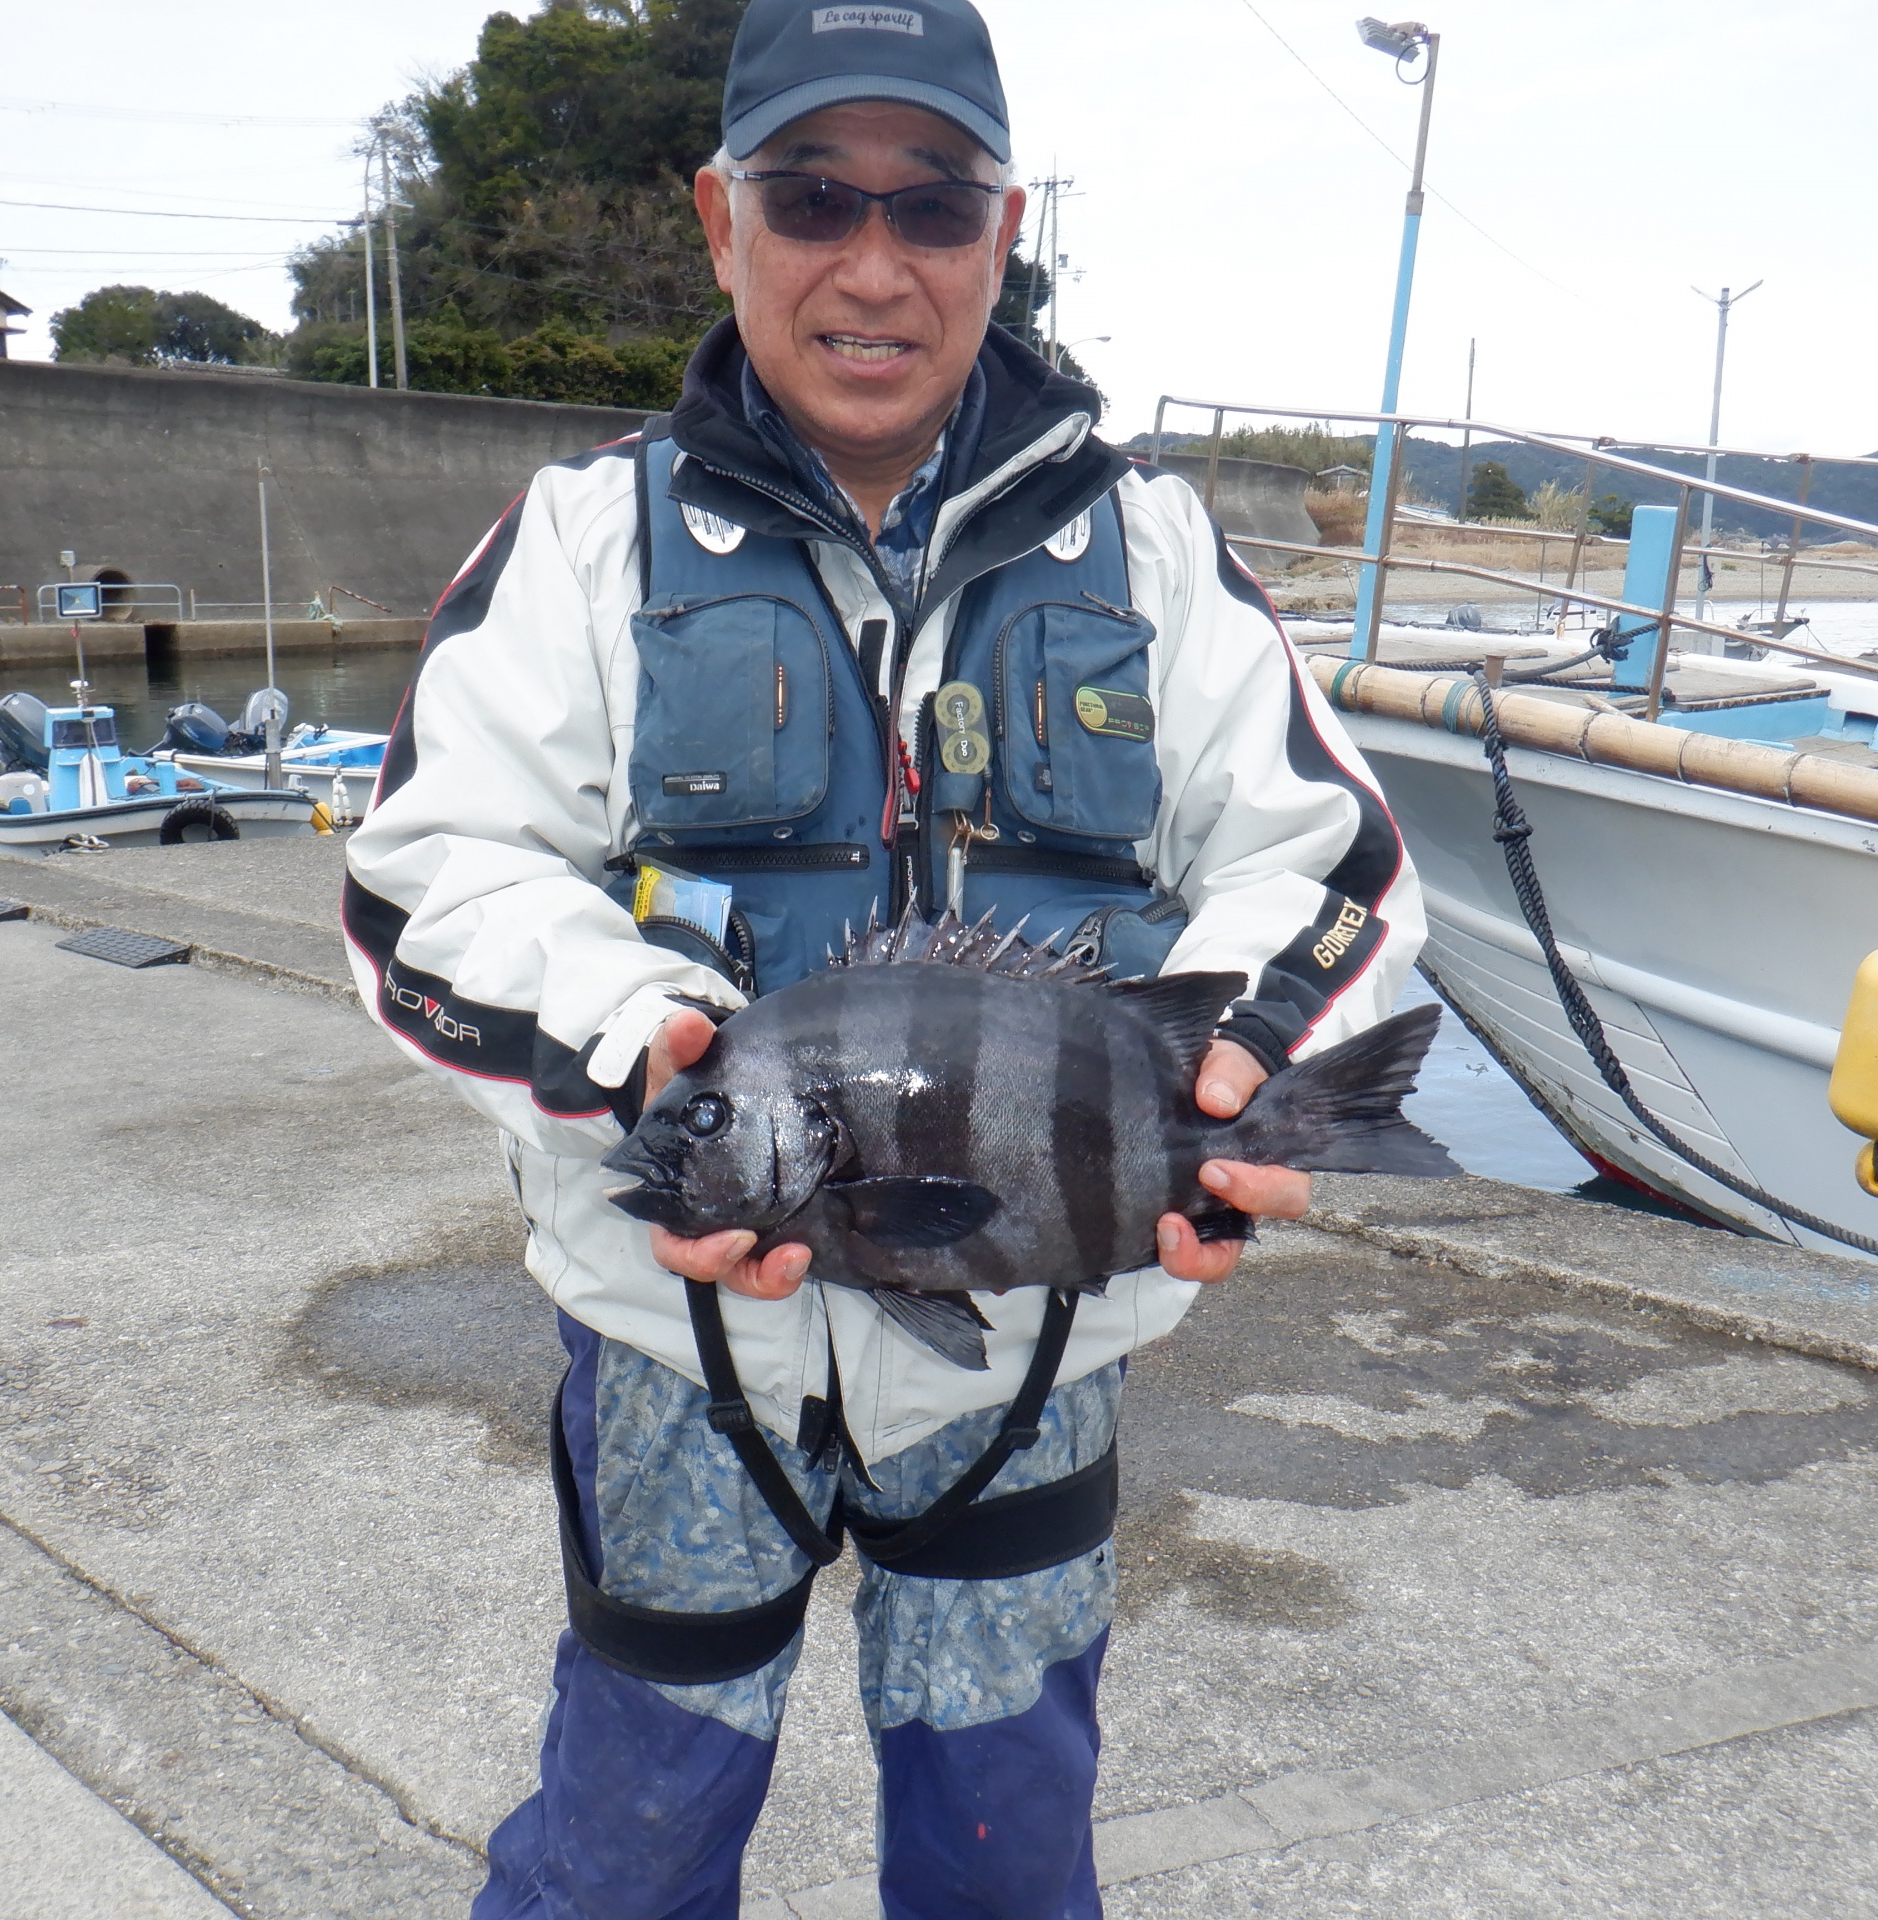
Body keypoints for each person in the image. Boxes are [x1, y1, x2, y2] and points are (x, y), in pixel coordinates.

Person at [343, 1, 1423, 1913]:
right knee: (625, 1849)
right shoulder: (586, 539)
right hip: (677, 1351)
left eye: (930, 206)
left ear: (1004, 234)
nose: (871, 262)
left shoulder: (1155, 551)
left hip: (1032, 1348)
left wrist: (1241, 1070)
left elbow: (1324, 862)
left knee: (1008, 1855)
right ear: (721, 221)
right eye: (811, 195)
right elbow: (431, 873)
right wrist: (644, 1045)